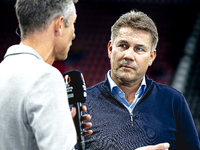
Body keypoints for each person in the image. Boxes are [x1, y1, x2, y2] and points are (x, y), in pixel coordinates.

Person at [81, 10, 200, 150]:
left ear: (151, 57)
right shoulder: (82, 105)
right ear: (110, 49)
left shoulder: (174, 101)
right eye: (123, 45)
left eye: (139, 49)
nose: (129, 55)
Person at [0, 0, 92, 150]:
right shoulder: (46, 78)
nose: (74, 34)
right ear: (59, 25)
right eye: (73, 23)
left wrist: (63, 131)